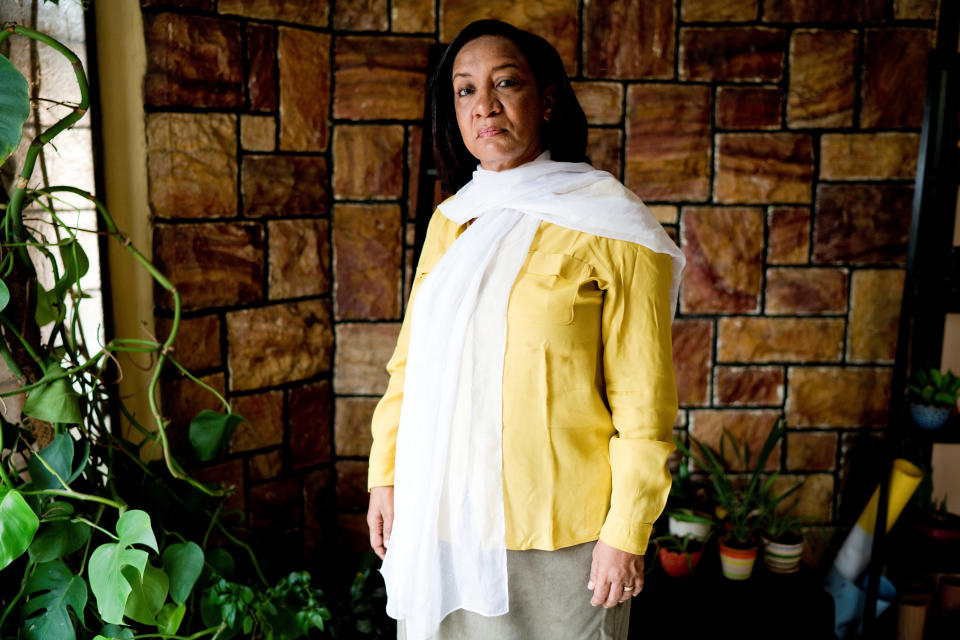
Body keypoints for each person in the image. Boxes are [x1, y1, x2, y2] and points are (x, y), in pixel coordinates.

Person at [366, 19, 684, 640]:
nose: (483, 104)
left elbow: (645, 401)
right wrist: (386, 475)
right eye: (464, 90)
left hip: (562, 544)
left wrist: (627, 532)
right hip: (446, 521)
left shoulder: (612, 225)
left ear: (546, 98)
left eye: (504, 82)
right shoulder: (453, 222)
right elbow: (411, 366)